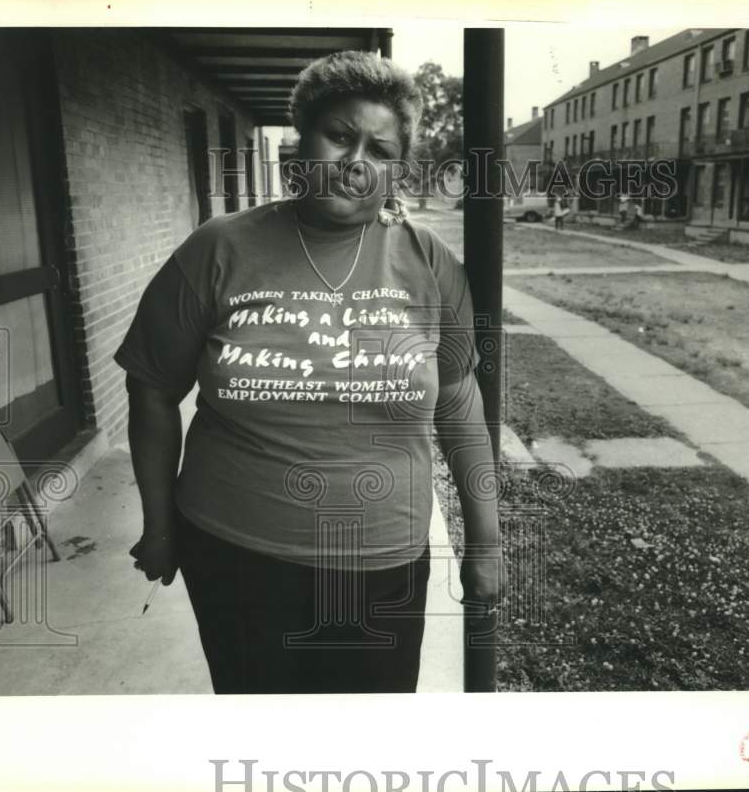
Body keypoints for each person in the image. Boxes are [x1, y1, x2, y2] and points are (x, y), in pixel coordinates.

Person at [114, 50, 504, 694]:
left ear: (396, 172)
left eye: (380, 150)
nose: (356, 161)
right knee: (262, 732)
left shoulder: (427, 261)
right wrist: (159, 527)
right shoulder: (220, 248)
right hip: (235, 550)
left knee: (364, 744)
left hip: (383, 560)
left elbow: (459, 401)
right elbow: (151, 388)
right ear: (301, 143)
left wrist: (485, 544)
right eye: (340, 136)